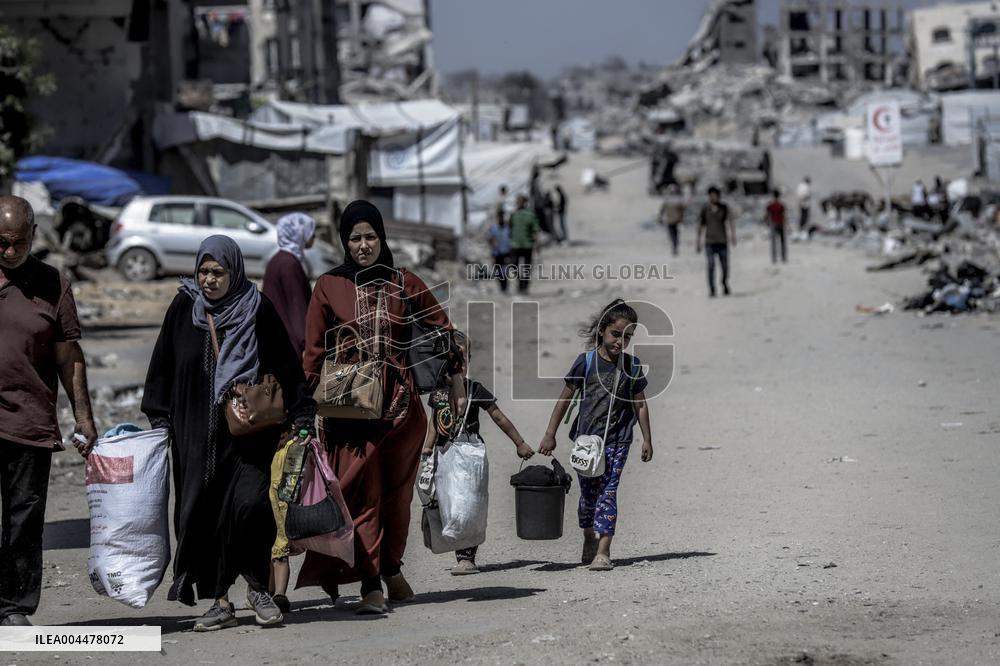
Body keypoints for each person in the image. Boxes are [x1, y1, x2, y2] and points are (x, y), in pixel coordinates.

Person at [141, 235, 316, 631]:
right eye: (203, 271)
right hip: (194, 438)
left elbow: (286, 365)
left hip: (247, 436)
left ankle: (257, 588)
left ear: (234, 271)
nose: (208, 279)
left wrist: (303, 412)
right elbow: (163, 364)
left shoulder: (256, 308)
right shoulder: (184, 307)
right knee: (206, 517)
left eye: (218, 272)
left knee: (251, 507)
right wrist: (158, 417)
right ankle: (220, 599)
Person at [299, 200, 466, 615]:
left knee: (397, 495)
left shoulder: (403, 281)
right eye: (354, 238)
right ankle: (372, 582)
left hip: (400, 410)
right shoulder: (328, 285)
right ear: (344, 241)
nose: (363, 245)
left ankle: (391, 568)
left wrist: (456, 379)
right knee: (361, 494)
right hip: (351, 408)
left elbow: (445, 331)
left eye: (370, 236)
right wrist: (308, 407)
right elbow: (313, 352)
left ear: (382, 238)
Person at [0, 196, 96, 627]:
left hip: (28, 420)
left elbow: (68, 355)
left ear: (33, 236)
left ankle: (14, 608)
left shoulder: (53, 283)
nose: (7, 251)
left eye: (16, 243)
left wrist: (84, 416)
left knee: (23, 518)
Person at [538, 299, 652, 571]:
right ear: (602, 330)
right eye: (616, 334)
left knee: (608, 493)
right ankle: (589, 535)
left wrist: (647, 438)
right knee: (588, 496)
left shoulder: (632, 366)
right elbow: (564, 400)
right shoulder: (585, 363)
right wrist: (549, 434)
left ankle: (604, 550)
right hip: (586, 443)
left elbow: (641, 404)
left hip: (618, 440)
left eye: (628, 337)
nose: (620, 342)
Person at [420, 332, 534, 575]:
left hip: (469, 454)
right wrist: (427, 448)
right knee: (450, 505)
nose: (456, 359)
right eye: (451, 354)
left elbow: (498, 416)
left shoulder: (474, 389)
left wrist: (520, 443)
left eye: (461, 354)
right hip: (444, 454)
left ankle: (467, 557)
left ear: (467, 359)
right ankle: (458, 552)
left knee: (468, 504)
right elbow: (434, 422)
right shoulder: (438, 392)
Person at [262, 212, 317, 359]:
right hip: (288, 346)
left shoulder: (279, 259)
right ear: (298, 232)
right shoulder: (289, 264)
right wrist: (306, 343)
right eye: (310, 231)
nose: (314, 236)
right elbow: (296, 306)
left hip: (276, 337)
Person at [696, 186, 736, 297]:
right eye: (712, 195)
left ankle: (724, 283)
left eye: (716, 195)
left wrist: (733, 236)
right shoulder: (705, 209)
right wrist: (698, 241)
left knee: (725, 266)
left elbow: (730, 221)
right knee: (711, 265)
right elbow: (700, 225)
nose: (714, 197)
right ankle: (712, 289)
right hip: (709, 242)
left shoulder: (724, 208)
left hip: (722, 241)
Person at [509, 195, 541, 295]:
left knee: (527, 267)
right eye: (517, 201)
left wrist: (537, 244)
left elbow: (535, 230)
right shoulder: (513, 214)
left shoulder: (530, 214)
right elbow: (509, 227)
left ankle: (524, 287)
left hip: (527, 244)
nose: (518, 203)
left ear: (524, 203)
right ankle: (520, 282)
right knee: (514, 266)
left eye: (520, 201)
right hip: (515, 244)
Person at [487, 204, 512, 294]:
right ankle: (501, 286)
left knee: (505, 271)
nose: (501, 219)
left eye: (502, 217)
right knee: (497, 272)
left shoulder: (508, 228)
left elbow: (510, 239)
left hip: (506, 252)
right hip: (496, 253)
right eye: (499, 217)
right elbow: (490, 239)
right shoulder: (493, 228)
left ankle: (505, 287)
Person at [659, 184, 685, 256]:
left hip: (675, 220)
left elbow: (681, 211)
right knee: (673, 235)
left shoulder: (676, 199)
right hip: (671, 220)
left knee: (674, 235)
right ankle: (674, 246)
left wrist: (681, 218)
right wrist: (660, 217)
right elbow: (662, 209)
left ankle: (675, 246)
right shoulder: (669, 199)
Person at [765, 189, 787, 264]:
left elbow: (767, 215)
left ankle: (774, 258)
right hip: (780, 223)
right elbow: (784, 215)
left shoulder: (770, 205)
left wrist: (767, 222)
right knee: (782, 241)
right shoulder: (781, 205)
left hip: (773, 223)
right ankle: (783, 257)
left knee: (773, 242)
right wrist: (786, 224)